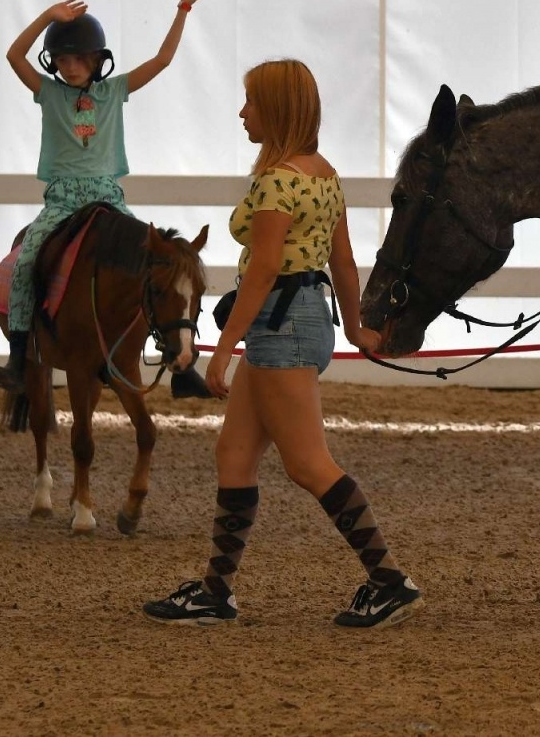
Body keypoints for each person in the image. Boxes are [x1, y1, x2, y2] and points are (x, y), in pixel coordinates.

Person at [143, 58, 422, 628]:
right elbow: (342, 260)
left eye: (250, 103)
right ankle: (215, 592)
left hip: (278, 327)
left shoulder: (276, 181)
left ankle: (389, 581)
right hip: (304, 320)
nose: (242, 113)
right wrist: (354, 326)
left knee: (308, 463)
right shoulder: (323, 175)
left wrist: (222, 350)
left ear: (275, 110)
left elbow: (265, 269)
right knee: (235, 454)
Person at [0, 0, 204, 390]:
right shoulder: (48, 92)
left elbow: (162, 59)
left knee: (156, 263)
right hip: (62, 200)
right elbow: (14, 55)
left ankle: (178, 356)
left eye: (79, 58)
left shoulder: (115, 90)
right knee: (25, 263)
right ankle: (19, 356)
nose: (70, 66)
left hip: (108, 196)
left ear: (96, 60)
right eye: (62, 58)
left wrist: (182, 10)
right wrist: (47, 17)